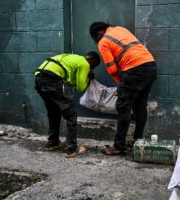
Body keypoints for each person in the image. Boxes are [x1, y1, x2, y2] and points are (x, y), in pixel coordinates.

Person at [89, 22, 157, 155]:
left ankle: (118, 146)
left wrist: (120, 83)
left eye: (96, 39)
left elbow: (112, 68)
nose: (97, 42)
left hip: (134, 69)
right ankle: (138, 140)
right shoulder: (120, 29)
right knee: (140, 106)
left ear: (98, 34)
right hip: (150, 66)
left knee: (123, 107)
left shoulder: (103, 41)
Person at [34, 52, 100, 158]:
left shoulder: (73, 58)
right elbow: (81, 87)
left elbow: (68, 82)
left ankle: (52, 143)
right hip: (52, 79)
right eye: (93, 66)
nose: (91, 68)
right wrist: (88, 78)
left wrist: (80, 79)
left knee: (54, 112)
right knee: (71, 115)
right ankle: (72, 149)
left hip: (39, 79)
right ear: (91, 60)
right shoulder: (85, 63)